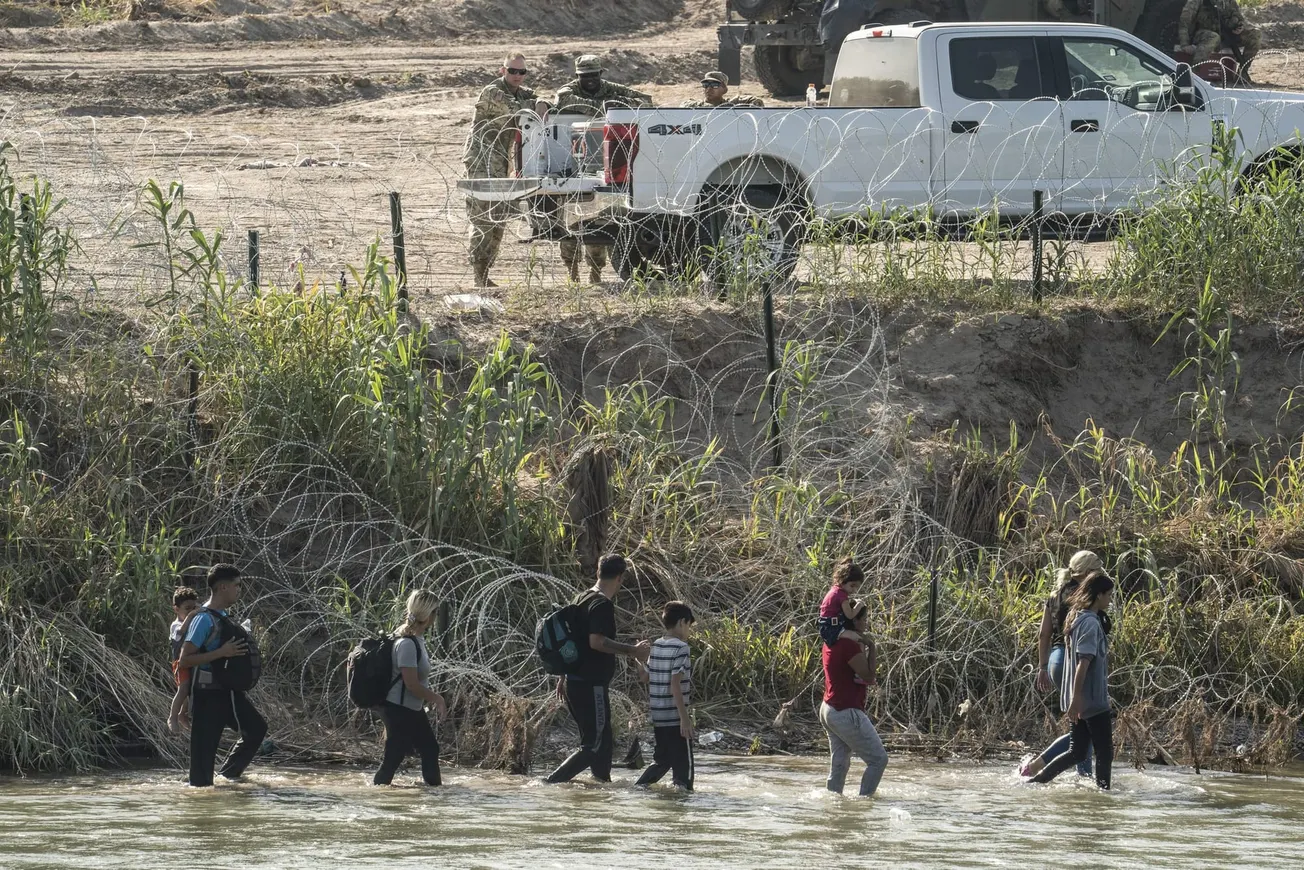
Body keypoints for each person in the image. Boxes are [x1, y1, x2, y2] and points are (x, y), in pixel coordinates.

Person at [545, 554, 651, 784]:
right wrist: (633, 651)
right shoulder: (601, 603)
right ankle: (550, 783)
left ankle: (602, 788)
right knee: (593, 745)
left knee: (604, 743)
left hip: (577, 682)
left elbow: (571, 640)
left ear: (598, 572)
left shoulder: (582, 597)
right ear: (620, 578)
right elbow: (597, 642)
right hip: (590, 684)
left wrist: (563, 677)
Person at [553, 56, 653, 286]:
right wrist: (610, 107)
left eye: (594, 76)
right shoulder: (570, 90)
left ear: (601, 74)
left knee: (598, 222)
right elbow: (564, 99)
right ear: (578, 76)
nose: (589, 81)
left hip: (604, 161)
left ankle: (595, 272)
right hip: (573, 162)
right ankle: (572, 271)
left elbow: (644, 100)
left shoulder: (609, 88)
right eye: (584, 76)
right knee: (570, 224)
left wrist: (615, 103)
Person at [177, 563, 267, 787]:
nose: (240, 590)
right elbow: (184, 660)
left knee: (256, 729)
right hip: (207, 697)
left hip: (228, 694)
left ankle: (228, 777)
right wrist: (222, 652)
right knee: (200, 776)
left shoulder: (224, 616)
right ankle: (201, 804)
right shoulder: (203, 619)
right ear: (224, 587)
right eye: (237, 585)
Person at [1028, 572, 1116, 790]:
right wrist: (1077, 699)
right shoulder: (1090, 624)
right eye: (1108, 595)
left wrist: (1074, 699)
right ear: (1098, 596)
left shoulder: (1078, 618)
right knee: (1105, 752)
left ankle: (1035, 781)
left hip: (1080, 700)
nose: (1110, 600)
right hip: (1092, 701)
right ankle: (1104, 795)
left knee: (1076, 752)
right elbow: (1082, 664)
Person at [463, 52, 543, 288]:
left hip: (501, 163)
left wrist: (542, 102)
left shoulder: (519, 92)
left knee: (498, 219)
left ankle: (486, 272)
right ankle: (479, 274)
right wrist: (537, 104)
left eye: (522, 72)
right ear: (503, 70)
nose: (517, 76)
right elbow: (517, 111)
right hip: (481, 162)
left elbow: (539, 101)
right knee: (482, 218)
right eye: (512, 71)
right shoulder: (493, 91)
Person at [1020, 550, 1102, 779]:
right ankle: (1040, 767)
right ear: (1087, 572)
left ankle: (1081, 774)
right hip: (1075, 660)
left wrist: (1043, 667)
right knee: (1087, 727)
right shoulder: (1086, 595)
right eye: (1097, 571)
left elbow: (1043, 634)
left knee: (1081, 725)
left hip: (1056, 660)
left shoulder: (1055, 594)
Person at [374, 589, 448, 787]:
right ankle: (375, 799)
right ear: (428, 615)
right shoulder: (406, 643)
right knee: (394, 758)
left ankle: (435, 795)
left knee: (429, 749)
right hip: (398, 709)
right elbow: (412, 684)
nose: (436, 617)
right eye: (436, 612)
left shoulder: (415, 639)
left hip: (410, 708)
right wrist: (437, 699)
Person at [819, 599, 888, 797]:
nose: (866, 624)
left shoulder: (832, 640)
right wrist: (872, 646)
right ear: (854, 621)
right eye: (864, 619)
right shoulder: (849, 645)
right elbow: (868, 676)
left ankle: (835, 805)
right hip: (845, 710)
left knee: (839, 764)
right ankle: (865, 803)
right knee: (878, 760)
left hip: (829, 709)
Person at [635, 601, 696, 791]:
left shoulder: (657, 646)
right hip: (675, 717)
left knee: (662, 760)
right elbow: (675, 685)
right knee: (684, 773)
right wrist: (685, 720)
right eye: (689, 626)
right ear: (681, 623)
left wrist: (638, 658)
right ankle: (683, 799)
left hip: (659, 716)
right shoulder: (681, 648)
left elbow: (644, 677)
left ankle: (639, 786)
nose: (689, 631)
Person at [167, 586, 199, 733]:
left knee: (189, 690)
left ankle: (183, 715)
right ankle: (173, 716)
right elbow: (181, 631)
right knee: (183, 688)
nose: (190, 611)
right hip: (180, 664)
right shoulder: (176, 625)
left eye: (193, 608)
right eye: (187, 608)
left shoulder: (193, 622)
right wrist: (192, 615)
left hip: (192, 662)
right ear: (176, 609)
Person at [817, 557, 864, 647]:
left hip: (825, 627)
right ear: (843, 581)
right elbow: (849, 615)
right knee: (857, 638)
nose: (854, 590)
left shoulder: (835, 590)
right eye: (852, 586)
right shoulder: (841, 596)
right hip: (832, 629)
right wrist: (859, 605)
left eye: (856, 587)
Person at [681, 71, 764, 108]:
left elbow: (757, 102)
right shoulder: (696, 105)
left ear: (724, 89)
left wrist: (734, 107)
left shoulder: (730, 104)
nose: (709, 89)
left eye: (714, 85)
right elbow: (683, 106)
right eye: (706, 85)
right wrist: (716, 108)